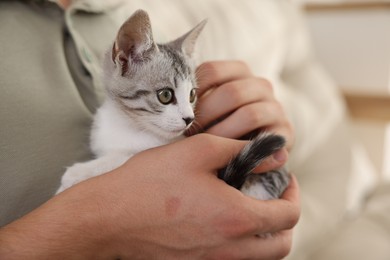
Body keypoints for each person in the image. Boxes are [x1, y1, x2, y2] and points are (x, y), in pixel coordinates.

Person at [0, 0, 299, 259]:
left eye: (190, 97)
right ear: (125, 58)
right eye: (167, 96)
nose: (187, 115)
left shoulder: (119, 14)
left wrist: (252, 122)